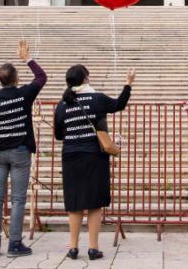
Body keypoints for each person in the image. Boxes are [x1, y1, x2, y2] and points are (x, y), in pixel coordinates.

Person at [53, 64, 135, 261]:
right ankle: (93, 248)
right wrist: (128, 83)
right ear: (86, 78)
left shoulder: (62, 105)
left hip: (71, 156)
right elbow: (119, 104)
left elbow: (58, 135)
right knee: (94, 203)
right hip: (93, 156)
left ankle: (72, 248)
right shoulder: (97, 98)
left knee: (74, 204)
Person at [0, 39, 47, 258]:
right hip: (19, 151)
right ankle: (15, 243)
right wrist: (27, 58)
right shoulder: (24, 94)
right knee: (18, 199)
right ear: (16, 79)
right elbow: (41, 77)